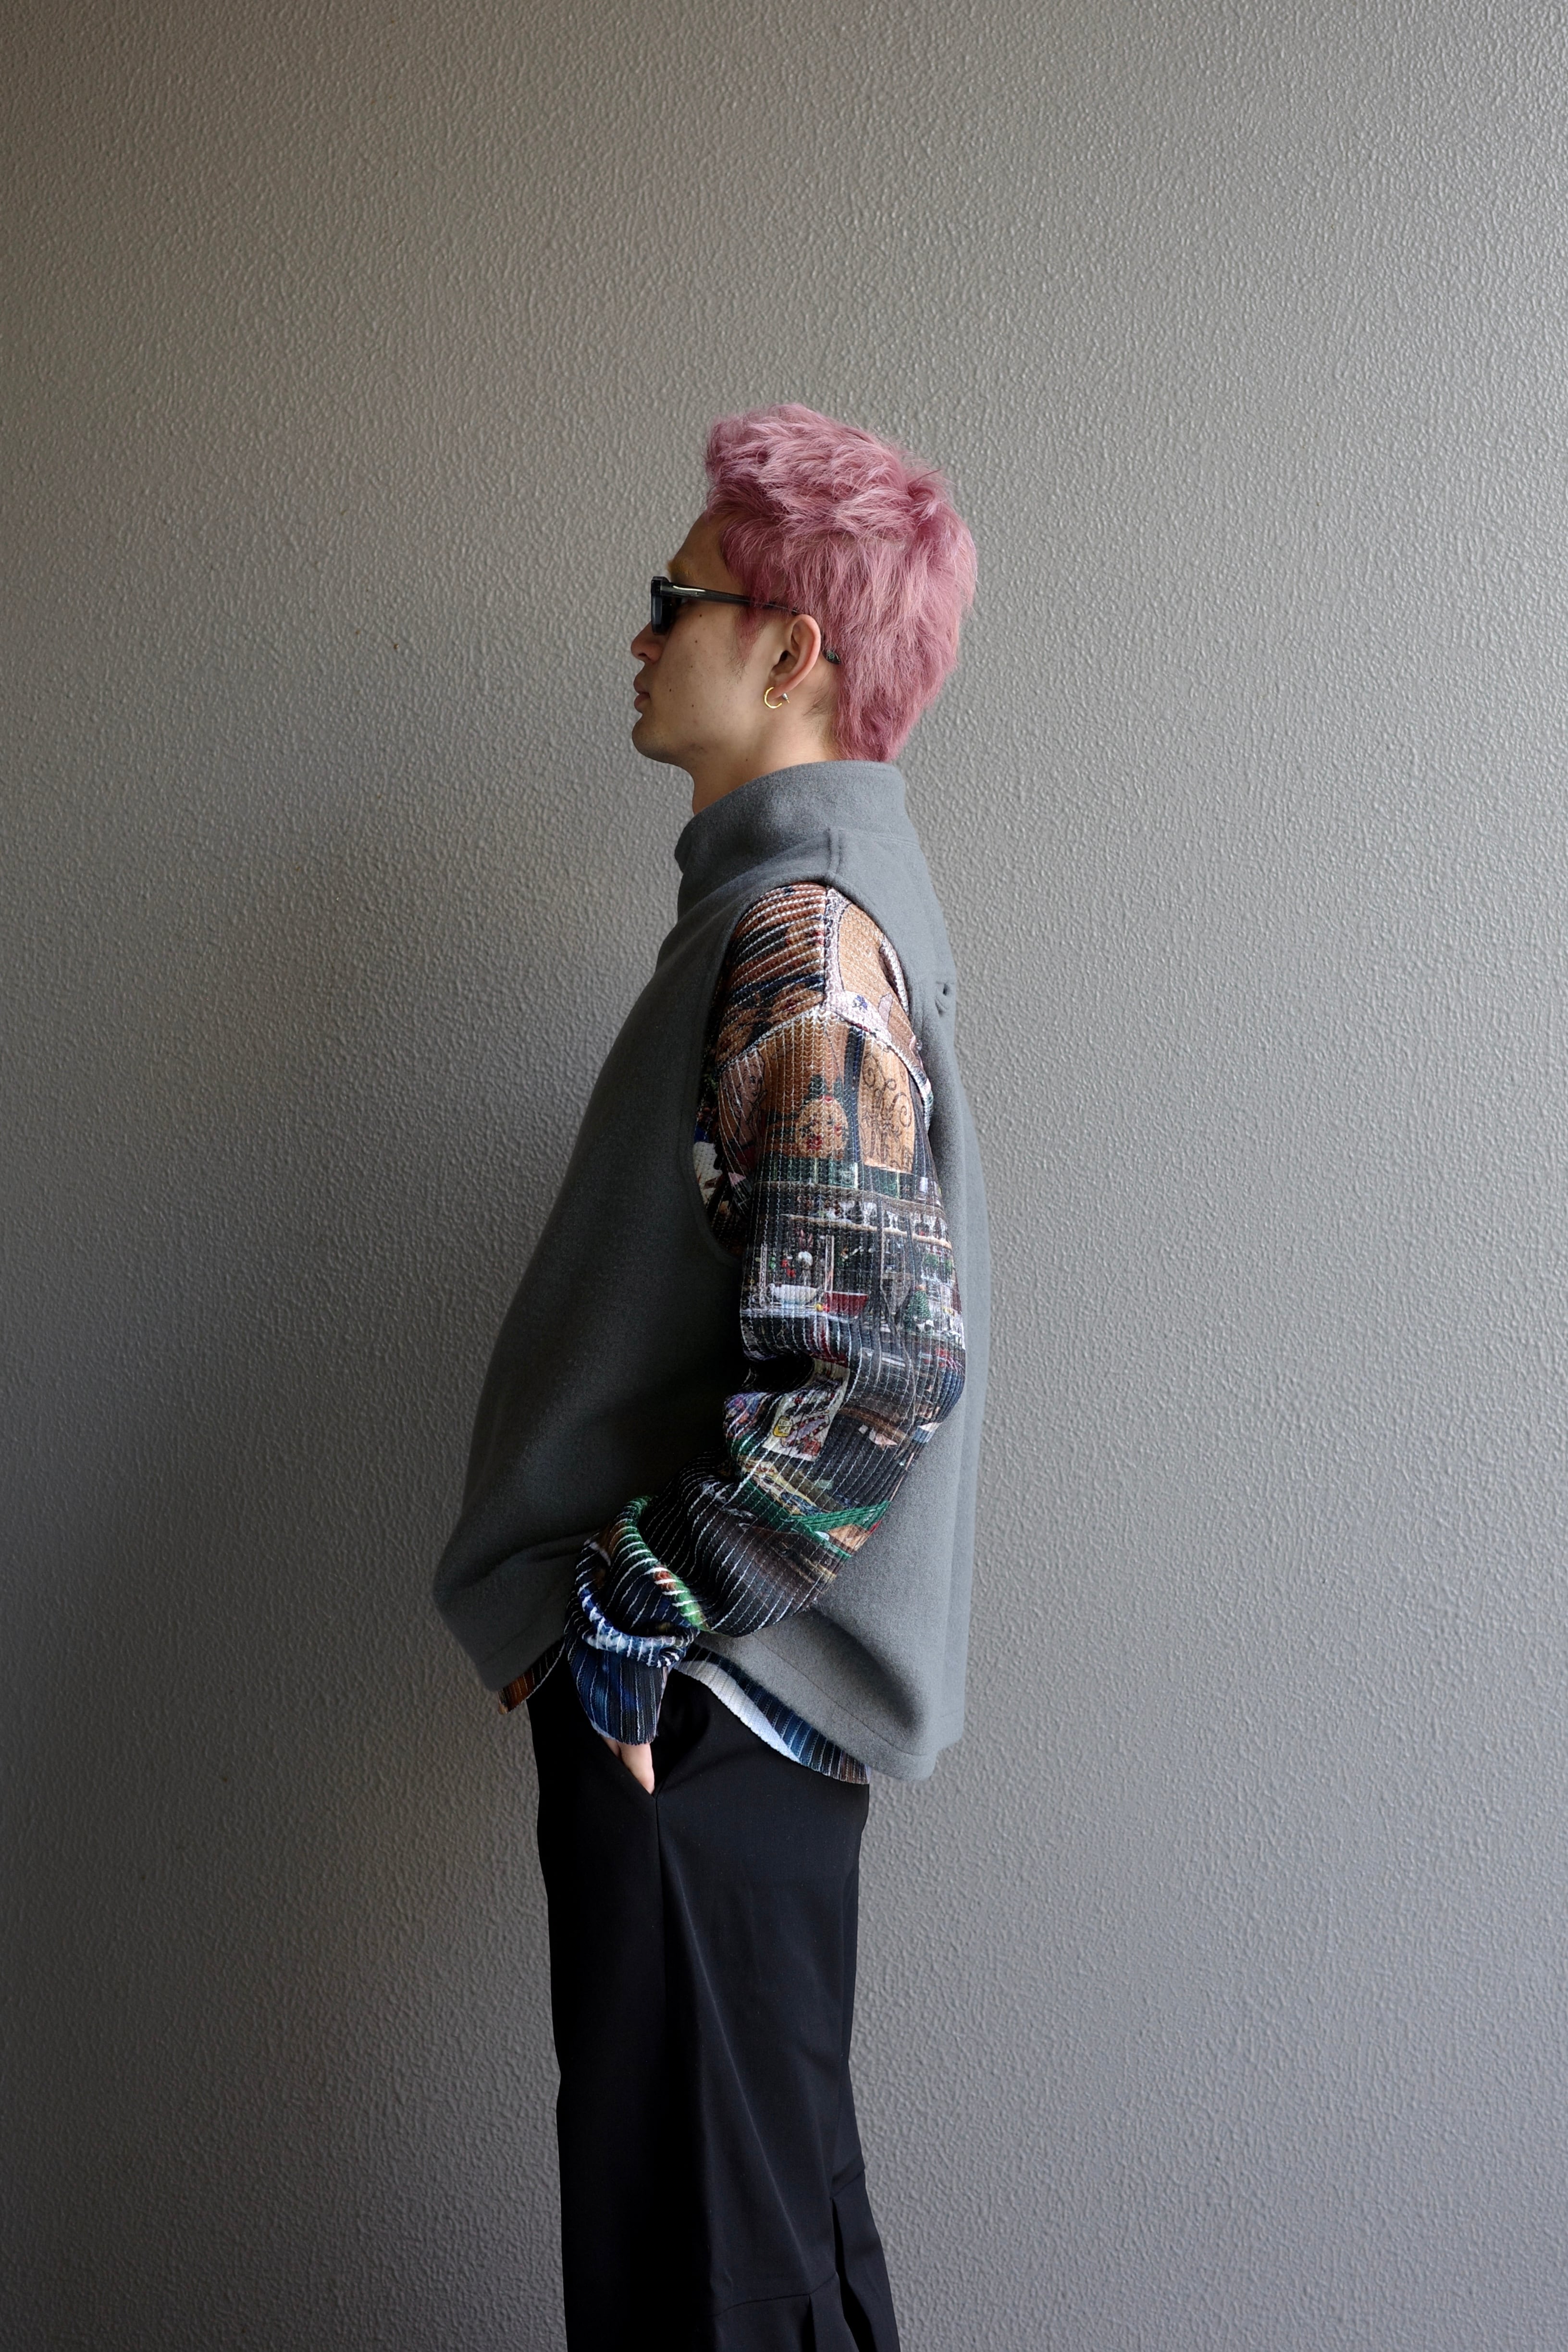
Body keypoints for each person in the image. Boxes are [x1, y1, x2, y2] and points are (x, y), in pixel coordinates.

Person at [434, 404, 989, 2352]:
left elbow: (873, 1376)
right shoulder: (801, 916)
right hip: (730, 1724)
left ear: (790, 650)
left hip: (704, 1722)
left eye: (674, 598)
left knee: (702, 2282)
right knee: (765, 2256)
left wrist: (629, 1616)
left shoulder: (797, 940)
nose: (641, 632)